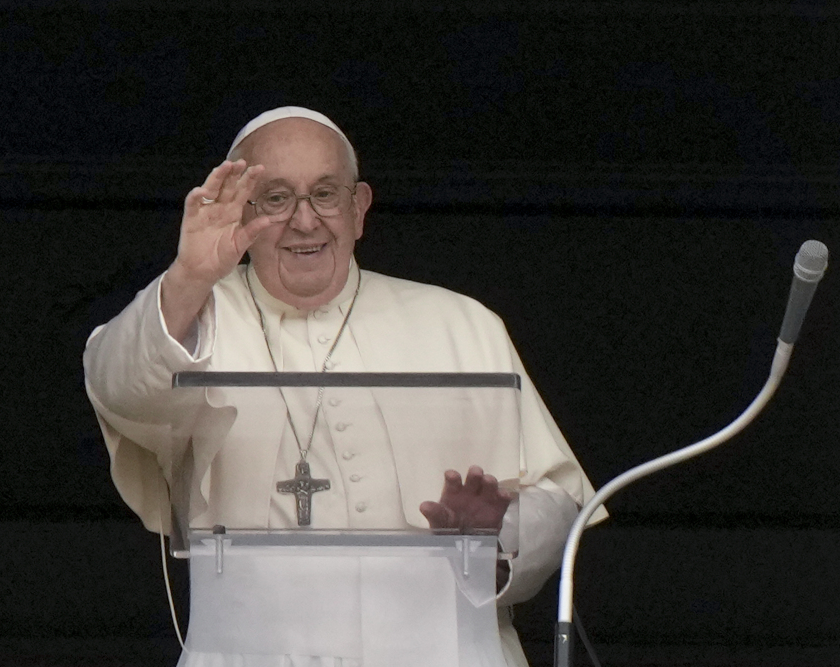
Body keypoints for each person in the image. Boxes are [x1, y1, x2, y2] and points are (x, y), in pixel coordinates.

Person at [83, 107, 605, 667]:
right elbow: (119, 387)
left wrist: (497, 533)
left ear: (359, 210)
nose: (305, 222)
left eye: (326, 195)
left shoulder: (462, 322)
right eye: (277, 198)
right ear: (240, 210)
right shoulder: (189, 316)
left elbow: (560, 496)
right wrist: (188, 277)